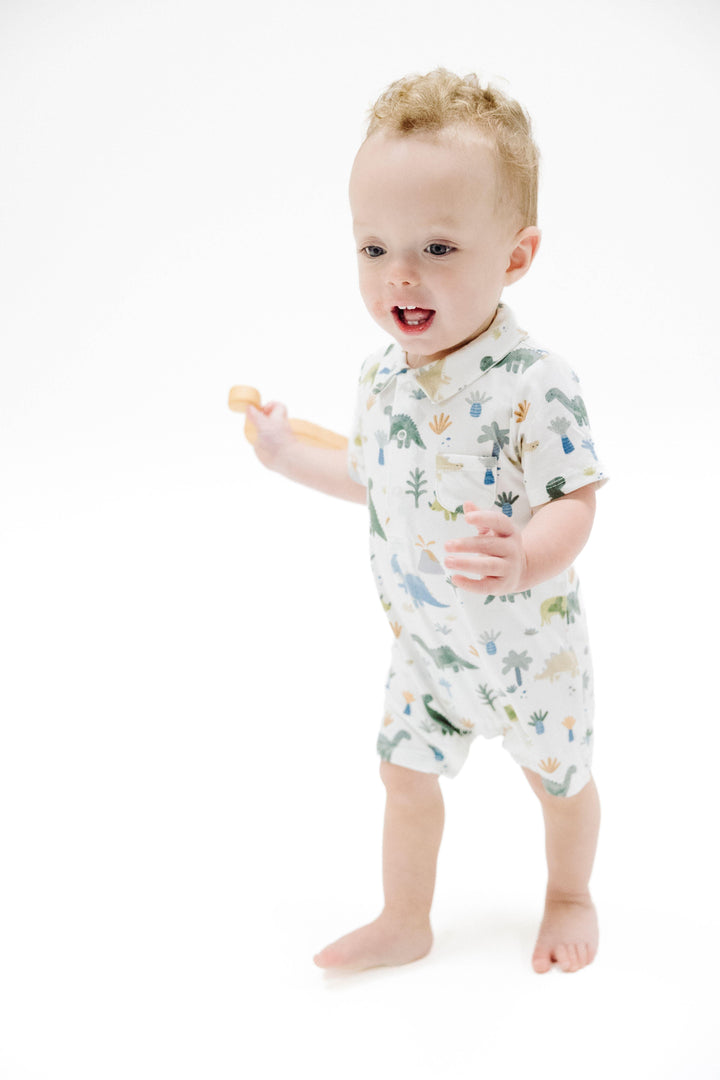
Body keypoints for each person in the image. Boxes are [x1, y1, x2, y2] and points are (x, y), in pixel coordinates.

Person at [246, 69, 607, 975]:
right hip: (427, 646)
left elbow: (577, 499)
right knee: (404, 779)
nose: (398, 274)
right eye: (373, 248)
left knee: (558, 784)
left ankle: (569, 893)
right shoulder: (383, 377)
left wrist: (527, 552)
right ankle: (406, 917)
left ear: (516, 257)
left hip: (529, 645)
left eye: (438, 248)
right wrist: (289, 455)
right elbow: (374, 477)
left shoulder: (536, 379)